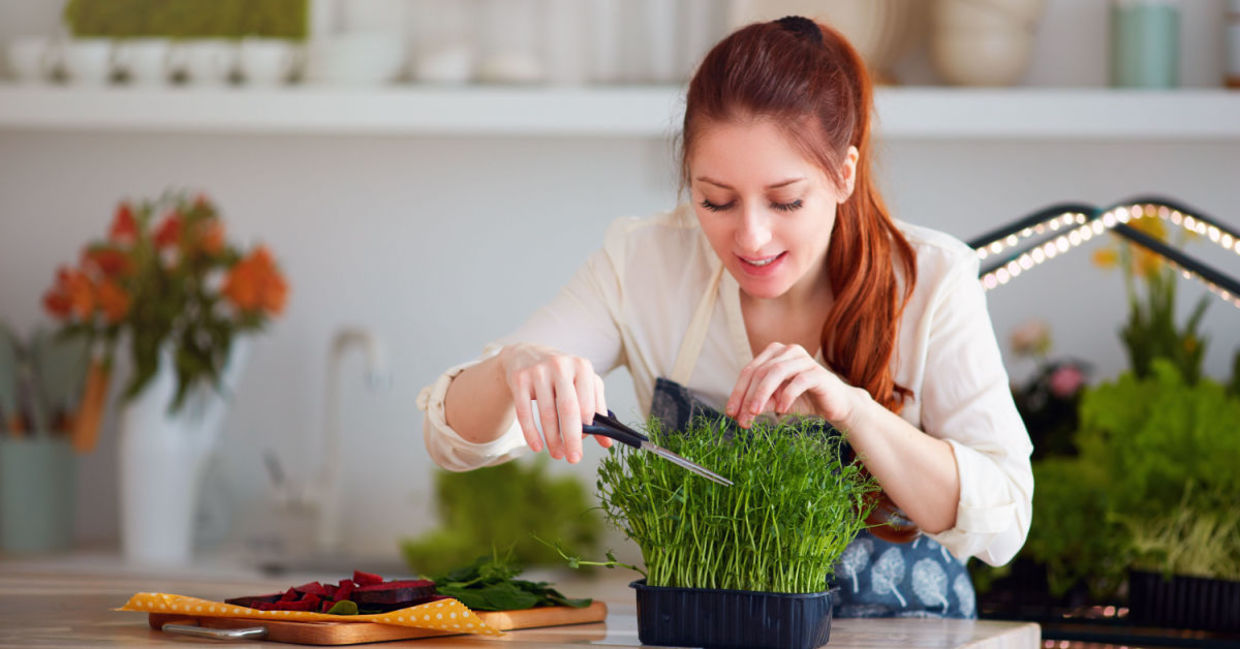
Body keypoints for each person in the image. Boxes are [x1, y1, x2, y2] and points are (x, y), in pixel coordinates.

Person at [417, 16, 1032, 619]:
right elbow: (451, 441)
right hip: (708, 634)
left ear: (844, 175)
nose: (752, 236)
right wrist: (511, 369)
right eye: (716, 200)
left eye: (785, 200)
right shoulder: (645, 262)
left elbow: (1005, 519)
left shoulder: (931, 279)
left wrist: (856, 411)